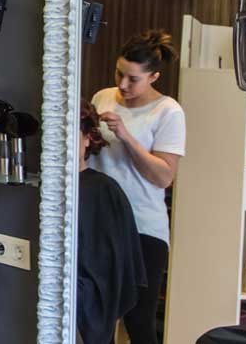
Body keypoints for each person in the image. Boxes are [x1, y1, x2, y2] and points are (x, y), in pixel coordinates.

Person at [89, 29, 186, 343]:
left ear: (154, 76)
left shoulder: (168, 112)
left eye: (133, 78)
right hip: (99, 221)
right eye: (119, 73)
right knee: (95, 317)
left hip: (143, 227)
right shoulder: (102, 97)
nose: (122, 84)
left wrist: (127, 137)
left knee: (139, 321)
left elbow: (164, 177)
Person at [77, 102, 146, 344]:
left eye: (72, 134)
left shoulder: (105, 191)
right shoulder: (41, 187)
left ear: (87, 139)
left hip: (91, 293)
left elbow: (114, 265)